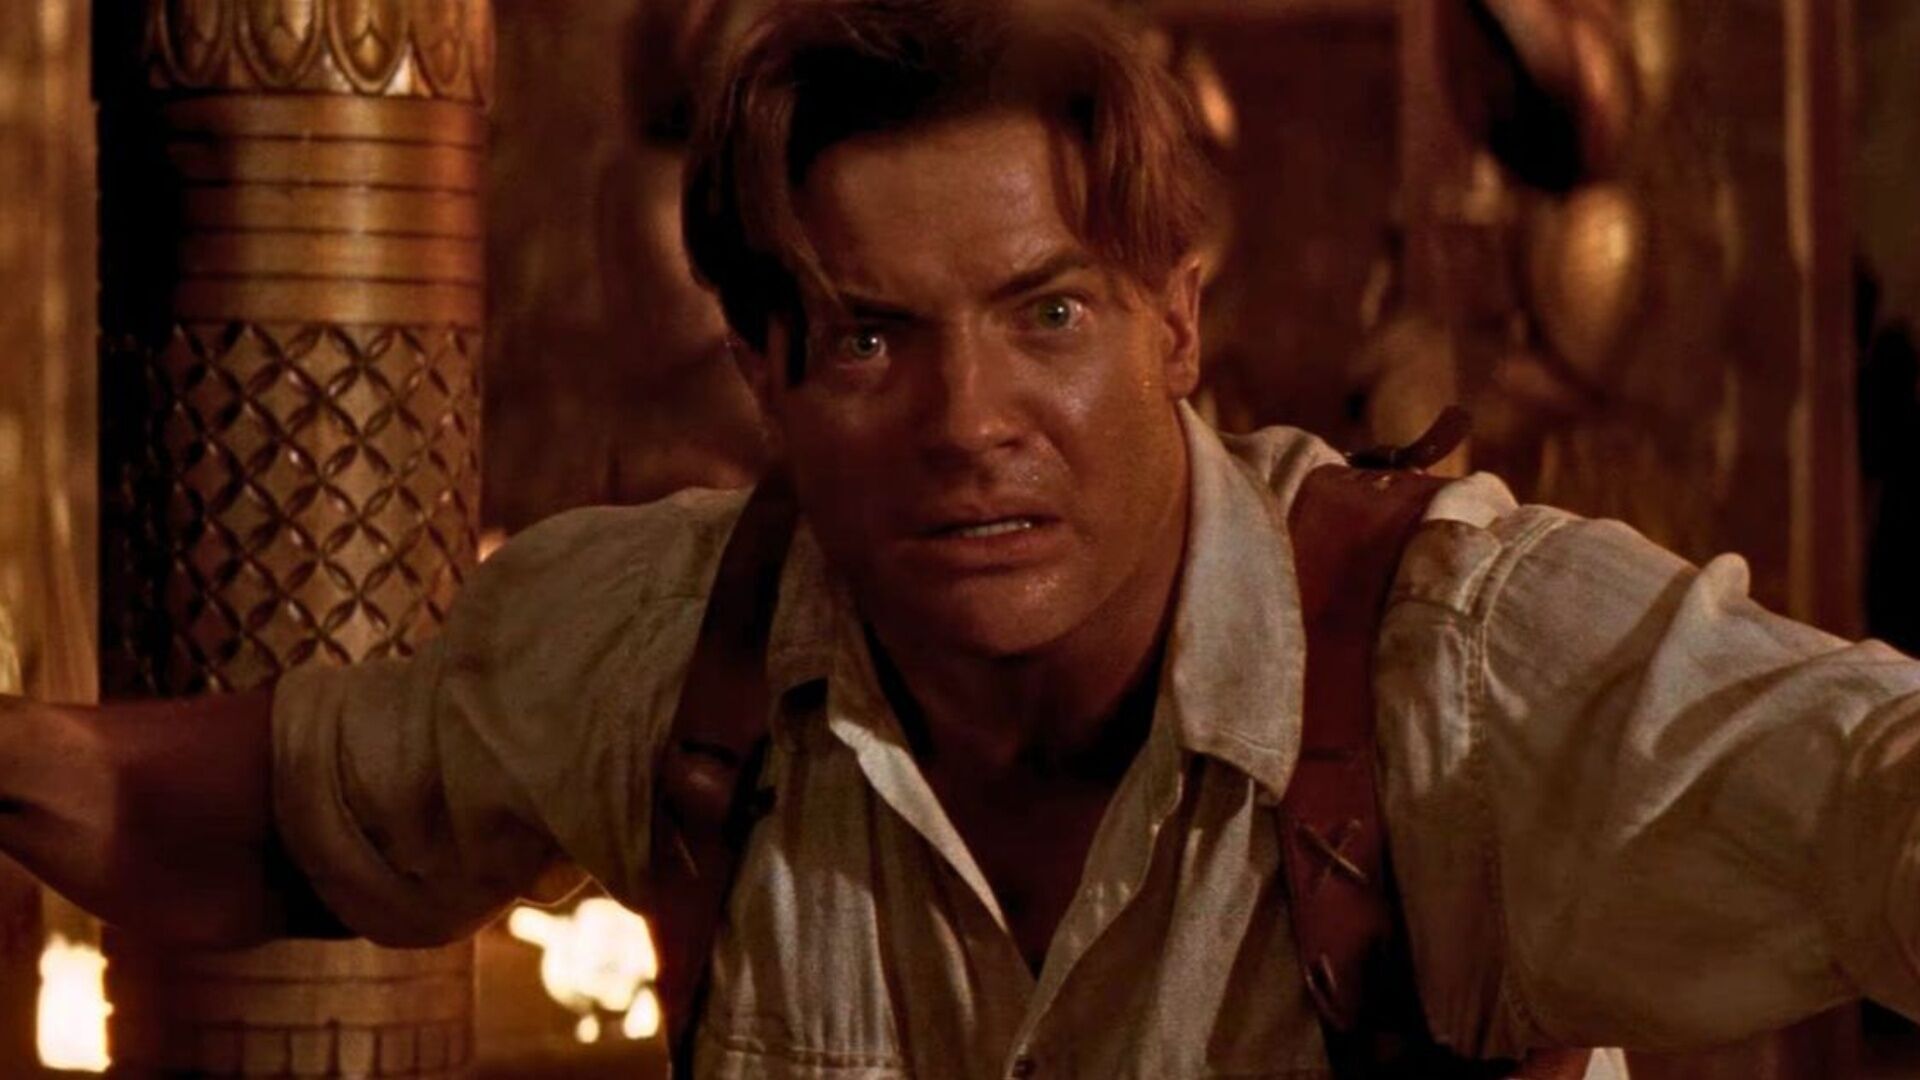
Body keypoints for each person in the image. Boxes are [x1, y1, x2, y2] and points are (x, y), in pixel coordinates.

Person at [4, 1, 1918, 1076]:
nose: (970, 420)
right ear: (764, 374)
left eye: (1048, 313)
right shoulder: (685, 637)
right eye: (871, 338)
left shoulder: (1456, 672)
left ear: (1178, 323)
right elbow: (281, 804)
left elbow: (1868, 790)